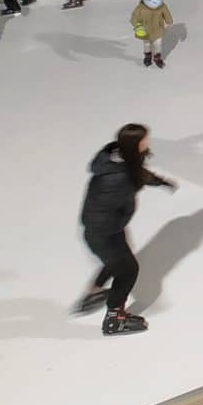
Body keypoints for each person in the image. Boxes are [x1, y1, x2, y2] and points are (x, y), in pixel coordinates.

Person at [74, 124, 176, 336]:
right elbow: (134, 178)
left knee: (117, 260)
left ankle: (94, 292)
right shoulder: (120, 177)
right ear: (135, 145)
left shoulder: (115, 157)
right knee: (128, 270)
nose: (148, 142)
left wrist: (161, 182)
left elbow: (139, 173)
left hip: (106, 228)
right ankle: (114, 318)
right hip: (103, 231)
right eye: (145, 140)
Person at [130, 0, 173, 69]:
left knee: (158, 44)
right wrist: (138, 26)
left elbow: (166, 14)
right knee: (147, 44)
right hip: (145, 31)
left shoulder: (162, 6)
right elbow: (134, 18)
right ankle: (147, 56)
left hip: (157, 29)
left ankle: (157, 57)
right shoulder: (140, 9)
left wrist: (169, 21)